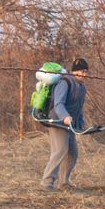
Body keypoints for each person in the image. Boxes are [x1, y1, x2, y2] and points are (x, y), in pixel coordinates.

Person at [41, 57, 88, 191]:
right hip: (57, 121)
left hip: (70, 124)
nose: (84, 74)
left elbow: (78, 109)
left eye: (86, 72)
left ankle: (64, 183)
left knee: (73, 153)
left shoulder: (82, 87)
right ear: (74, 72)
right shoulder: (64, 83)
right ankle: (47, 183)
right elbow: (58, 104)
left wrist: (80, 124)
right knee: (60, 150)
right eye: (81, 71)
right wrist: (65, 116)